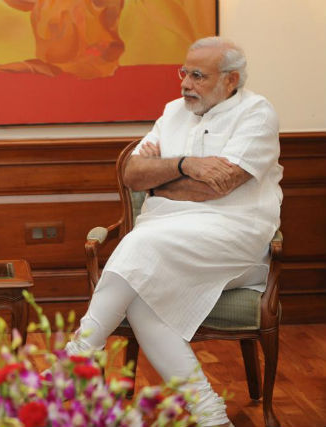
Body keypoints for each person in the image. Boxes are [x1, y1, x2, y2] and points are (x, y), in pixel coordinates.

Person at [62, 36, 282, 427]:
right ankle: (210, 413)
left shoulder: (256, 113)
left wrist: (159, 183)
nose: (185, 84)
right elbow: (132, 174)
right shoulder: (173, 112)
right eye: (184, 73)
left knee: (139, 243)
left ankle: (78, 356)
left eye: (198, 76)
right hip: (165, 237)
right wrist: (184, 165)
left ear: (230, 80)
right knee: (142, 296)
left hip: (234, 240)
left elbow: (221, 186)